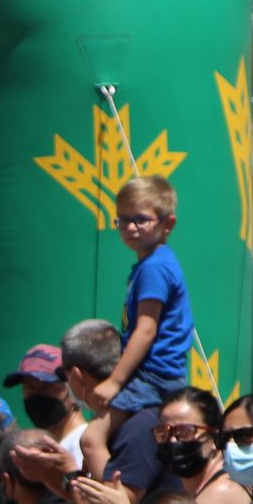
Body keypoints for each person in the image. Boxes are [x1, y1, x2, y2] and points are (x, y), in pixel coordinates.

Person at [79, 176, 195, 480]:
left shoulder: (154, 268)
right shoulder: (154, 263)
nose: (130, 227)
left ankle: (115, 500)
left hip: (152, 375)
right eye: (123, 220)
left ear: (167, 224)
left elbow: (146, 330)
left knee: (91, 439)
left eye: (140, 220)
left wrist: (115, 382)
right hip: (158, 373)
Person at [150, 386, 250, 504]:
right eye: (164, 433)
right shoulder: (192, 490)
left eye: (185, 431)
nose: (172, 441)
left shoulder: (222, 492)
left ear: (215, 437)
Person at [2, 344, 86, 472]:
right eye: (30, 388)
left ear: (73, 388)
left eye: (47, 387)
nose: (37, 396)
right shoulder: (43, 449)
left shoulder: (84, 444)